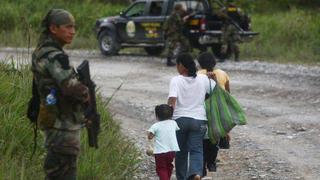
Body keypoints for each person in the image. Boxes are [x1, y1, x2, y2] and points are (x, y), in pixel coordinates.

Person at [31, 9, 90, 179]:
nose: (73, 31)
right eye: (68, 27)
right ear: (53, 28)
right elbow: (70, 87)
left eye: (74, 27)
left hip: (56, 122)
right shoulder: (53, 56)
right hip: (62, 126)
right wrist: (86, 93)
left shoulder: (43, 51)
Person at [168, 53, 216, 180]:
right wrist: (213, 78)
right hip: (199, 120)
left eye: (177, 64)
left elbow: (172, 100)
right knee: (197, 149)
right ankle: (196, 173)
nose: (176, 67)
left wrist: (168, 118)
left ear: (181, 66)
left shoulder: (176, 80)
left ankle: (182, 177)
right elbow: (214, 90)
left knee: (181, 152)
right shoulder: (203, 79)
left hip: (180, 120)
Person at [197, 52, 231, 176]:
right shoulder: (222, 73)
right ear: (215, 63)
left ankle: (202, 166)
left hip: (202, 111)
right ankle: (211, 162)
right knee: (214, 138)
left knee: (201, 139)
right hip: (217, 111)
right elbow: (227, 95)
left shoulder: (197, 75)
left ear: (199, 64)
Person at [147, 104, 180, 180]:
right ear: (171, 115)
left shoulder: (156, 125)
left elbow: (150, 136)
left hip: (160, 152)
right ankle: (167, 177)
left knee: (161, 168)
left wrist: (149, 134)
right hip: (172, 150)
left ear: (157, 116)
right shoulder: (173, 123)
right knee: (169, 165)